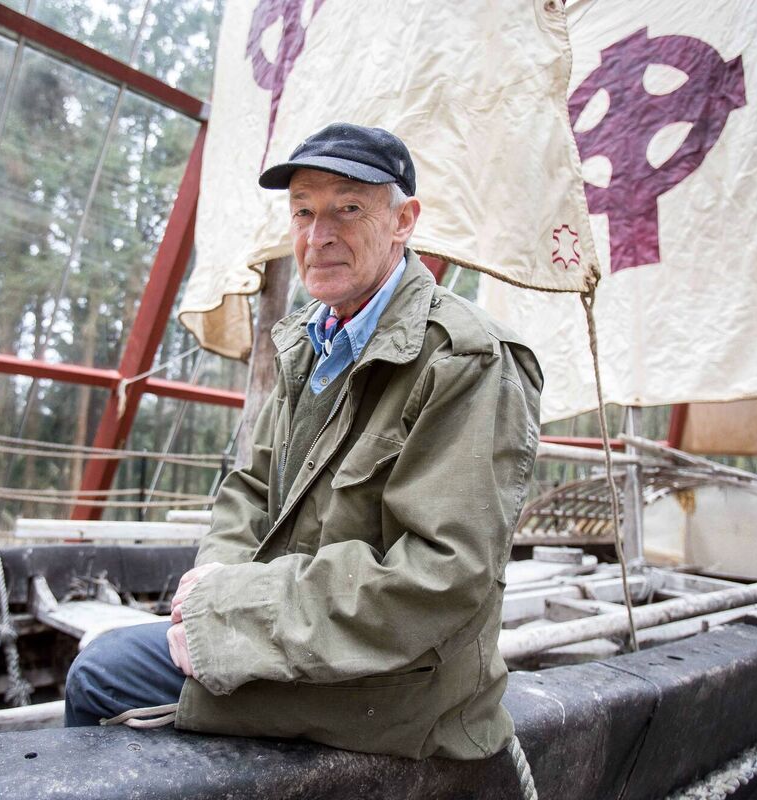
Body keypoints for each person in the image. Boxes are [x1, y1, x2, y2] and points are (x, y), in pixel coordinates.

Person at [65, 122, 542, 761]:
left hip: (399, 685)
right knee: (124, 651)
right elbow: (249, 487)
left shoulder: (466, 360)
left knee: (101, 672)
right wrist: (214, 586)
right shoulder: (310, 341)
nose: (319, 236)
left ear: (404, 221)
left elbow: (442, 578)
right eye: (304, 212)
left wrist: (236, 616)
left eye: (348, 208)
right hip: (301, 640)